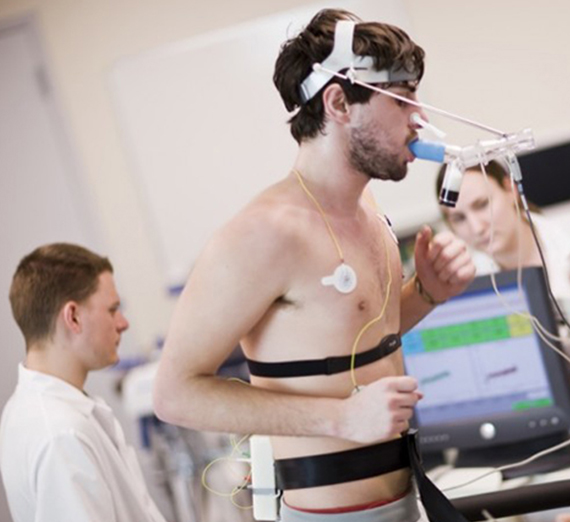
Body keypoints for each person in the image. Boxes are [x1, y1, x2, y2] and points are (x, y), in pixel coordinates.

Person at [154, 8, 475, 522]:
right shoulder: (263, 234)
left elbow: (351, 342)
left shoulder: (368, 212)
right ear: (338, 103)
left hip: (405, 500)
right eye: (402, 97)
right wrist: (342, 418)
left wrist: (427, 294)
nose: (420, 117)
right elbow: (175, 395)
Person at [0, 243, 167, 522]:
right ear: (73, 317)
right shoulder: (61, 433)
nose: (123, 323)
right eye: (113, 310)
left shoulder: (37, 409)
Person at [436, 160, 570, 320]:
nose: (476, 228)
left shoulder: (564, 241)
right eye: (459, 218)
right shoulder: (468, 286)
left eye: (482, 205)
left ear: (510, 189)